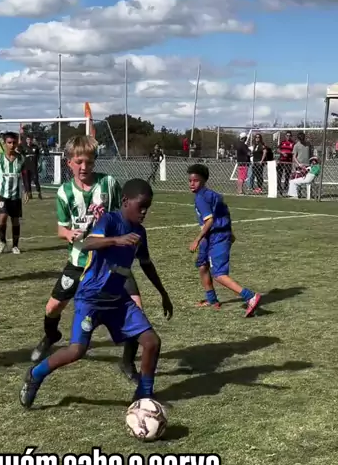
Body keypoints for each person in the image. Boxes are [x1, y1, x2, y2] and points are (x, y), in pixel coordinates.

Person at [20, 178, 173, 409]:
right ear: (125, 201)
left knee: (152, 342)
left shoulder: (140, 232)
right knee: (76, 350)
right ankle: (36, 374)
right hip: (91, 298)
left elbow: (146, 264)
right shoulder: (109, 220)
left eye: (147, 208)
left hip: (118, 300)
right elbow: (87, 243)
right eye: (141, 206)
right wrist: (116, 240)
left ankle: (144, 395)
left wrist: (163, 293)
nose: (144, 212)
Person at [30, 135, 143, 381]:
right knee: (52, 308)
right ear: (69, 162)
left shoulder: (109, 183)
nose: (84, 167)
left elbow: (123, 214)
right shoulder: (64, 192)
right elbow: (61, 229)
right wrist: (69, 234)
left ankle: (127, 363)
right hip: (79, 261)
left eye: (89, 162)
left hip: (112, 263)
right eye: (79, 162)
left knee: (137, 308)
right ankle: (51, 336)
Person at [188, 164, 262, 315]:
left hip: (216, 236)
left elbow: (210, 221)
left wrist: (197, 239)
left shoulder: (201, 198)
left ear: (203, 180)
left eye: (195, 180)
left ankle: (250, 296)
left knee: (219, 274)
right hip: (213, 235)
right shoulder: (214, 195)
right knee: (202, 265)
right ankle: (212, 300)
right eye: (190, 180)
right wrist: (231, 232)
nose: (191, 184)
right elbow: (224, 213)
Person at [0, 131, 28, 255]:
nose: (12, 145)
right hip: (2, 194)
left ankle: (15, 246)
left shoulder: (21, 158)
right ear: (5, 143)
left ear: (17, 143)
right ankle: (2, 242)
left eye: (14, 142)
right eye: (9, 142)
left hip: (15, 195)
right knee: (2, 217)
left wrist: (26, 190)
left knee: (15, 220)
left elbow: (24, 175)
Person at [22, 135, 43, 199]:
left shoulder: (35, 147)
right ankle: (29, 194)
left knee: (36, 180)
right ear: (26, 140)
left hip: (34, 166)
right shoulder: (24, 147)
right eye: (28, 139)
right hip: (26, 166)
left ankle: (39, 192)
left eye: (30, 139)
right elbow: (20, 154)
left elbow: (39, 155)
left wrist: (39, 163)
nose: (29, 141)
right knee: (27, 180)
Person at [278, 131, 294, 195]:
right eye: (287, 135)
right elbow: (278, 149)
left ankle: (285, 187)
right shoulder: (282, 142)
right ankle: (279, 187)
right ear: (285, 136)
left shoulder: (293, 143)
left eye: (289, 135)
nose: (288, 137)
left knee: (287, 175)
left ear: (291, 136)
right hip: (281, 161)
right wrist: (282, 153)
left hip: (289, 162)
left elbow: (294, 151)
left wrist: (290, 153)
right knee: (279, 174)